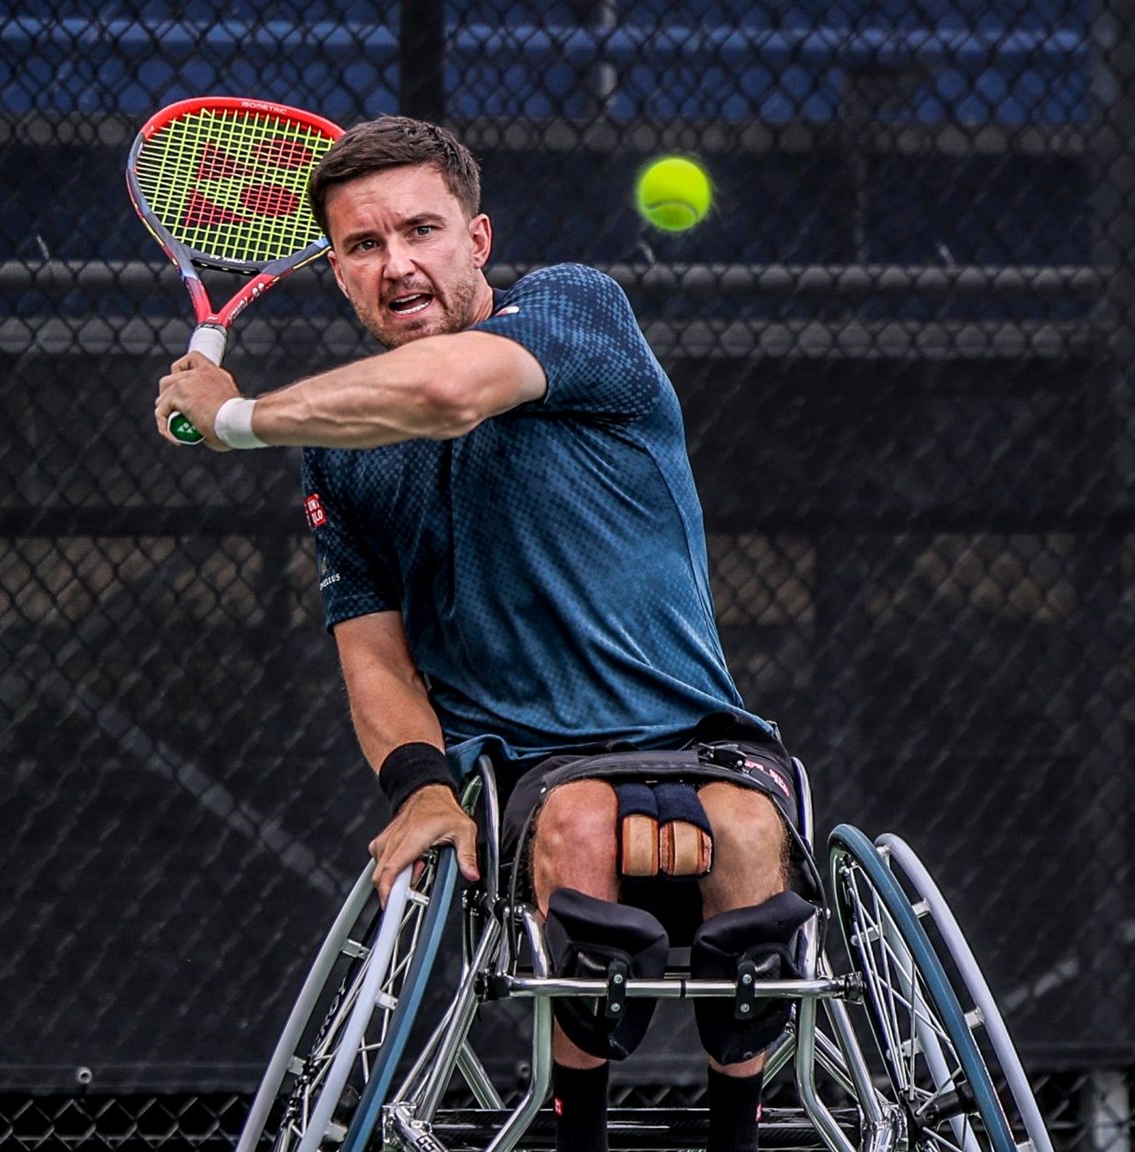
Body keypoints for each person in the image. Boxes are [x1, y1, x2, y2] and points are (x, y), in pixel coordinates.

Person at [154, 116, 810, 1152]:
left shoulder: (578, 311)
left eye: (421, 230)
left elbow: (446, 393)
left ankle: (741, 1128)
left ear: (477, 239)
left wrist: (236, 418)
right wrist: (421, 790)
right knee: (580, 826)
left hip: (700, 736)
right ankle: (580, 1138)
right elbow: (373, 656)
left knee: (743, 829)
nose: (396, 264)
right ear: (337, 273)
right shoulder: (341, 455)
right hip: (525, 776)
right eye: (363, 245)